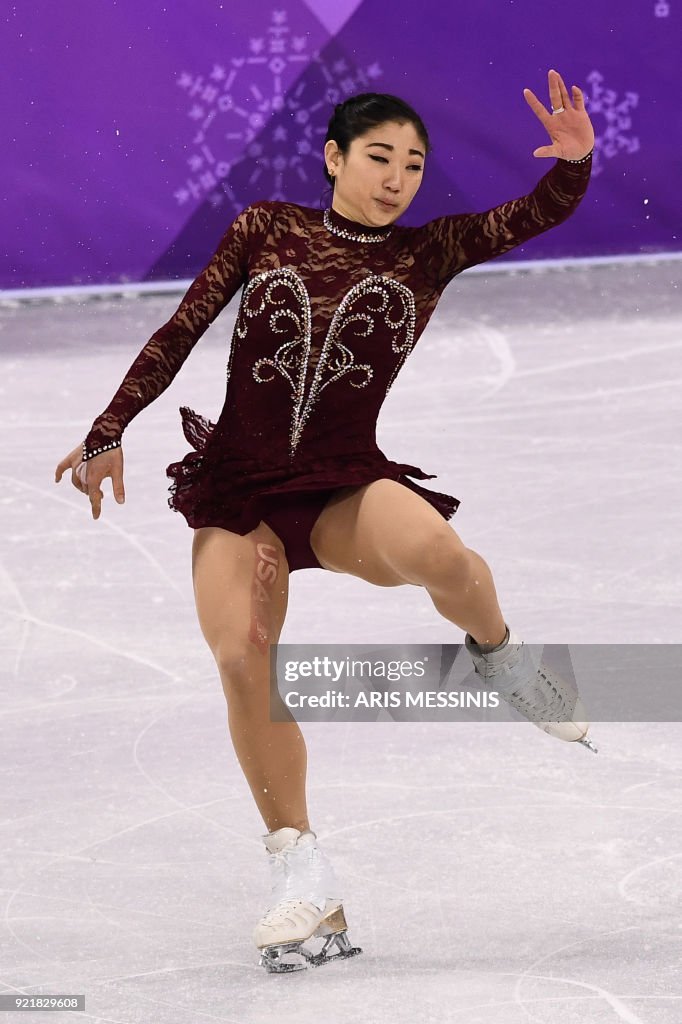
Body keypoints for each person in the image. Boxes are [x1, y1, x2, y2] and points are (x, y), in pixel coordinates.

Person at [55, 69, 596, 972]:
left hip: (343, 483)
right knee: (242, 655)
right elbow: (181, 329)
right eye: (379, 156)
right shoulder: (267, 226)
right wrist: (110, 427)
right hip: (240, 490)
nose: (396, 178)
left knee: (443, 555)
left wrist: (573, 165)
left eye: (415, 165)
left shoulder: (430, 252)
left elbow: (531, 215)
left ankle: (502, 658)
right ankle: (302, 872)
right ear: (334, 157)